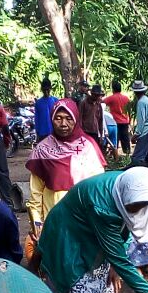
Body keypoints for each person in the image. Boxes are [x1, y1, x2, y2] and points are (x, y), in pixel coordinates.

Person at [25, 99, 106, 255]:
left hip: (84, 222)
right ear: (52, 119)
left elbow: (99, 189)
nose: (63, 123)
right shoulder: (42, 150)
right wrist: (37, 224)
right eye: (58, 118)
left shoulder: (89, 147)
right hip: (54, 223)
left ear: (76, 119)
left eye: (69, 118)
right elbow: (36, 194)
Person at [129, 80, 148, 167]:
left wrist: (136, 134)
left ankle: (136, 171)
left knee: (138, 155)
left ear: (135, 92)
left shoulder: (141, 102)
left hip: (145, 129)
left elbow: (141, 120)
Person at [104, 80, 131, 155]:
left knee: (115, 139)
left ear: (113, 89)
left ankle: (114, 154)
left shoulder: (111, 98)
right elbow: (129, 110)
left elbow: (102, 103)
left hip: (115, 122)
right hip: (125, 122)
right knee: (125, 139)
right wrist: (130, 120)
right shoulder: (126, 98)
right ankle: (127, 154)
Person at [80, 84, 106, 152]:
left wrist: (101, 135)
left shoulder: (98, 104)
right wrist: (80, 132)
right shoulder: (84, 103)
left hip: (94, 131)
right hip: (85, 131)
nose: (96, 97)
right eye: (95, 95)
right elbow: (80, 118)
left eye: (98, 95)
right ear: (92, 94)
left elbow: (100, 120)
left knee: (94, 150)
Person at [33, 77, 57, 142]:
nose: (46, 91)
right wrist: (37, 133)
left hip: (54, 133)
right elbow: (36, 119)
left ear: (50, 89)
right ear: (42, 90)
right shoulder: (38, 103)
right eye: (44, 90)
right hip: (42, 134)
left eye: (47, 89)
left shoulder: (56, 101)